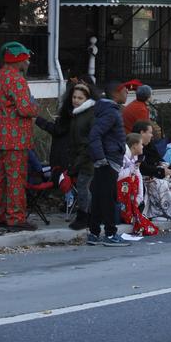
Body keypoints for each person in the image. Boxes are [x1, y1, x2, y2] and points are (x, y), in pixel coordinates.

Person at [0, 41, 38, 231]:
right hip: (15, 140)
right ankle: (15, 218)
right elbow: (25, 109)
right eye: (27, 59)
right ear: (19, 60)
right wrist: (36, 108)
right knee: (15, 179)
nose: (28, 62)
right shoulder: (16, 79)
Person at [86, 79, 130, 246]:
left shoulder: (105, 110)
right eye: (125, 91)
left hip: (107, 159)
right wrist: (100, 158)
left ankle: (94, 233)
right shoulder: (111, 112)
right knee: (109, 198)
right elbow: (94, 134)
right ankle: (110, 234)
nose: (127, 94)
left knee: (99, 197)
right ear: (116, 92)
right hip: (108, 160)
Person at [67, 81, 98, 231]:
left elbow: (88, 141)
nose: (76, 100)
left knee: (84, 187)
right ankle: (87, 216)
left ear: (87, 99)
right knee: (84, 187)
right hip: (81, 158)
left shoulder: (88, 115)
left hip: (87, 159)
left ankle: (84, 217)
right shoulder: (77, 114)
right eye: (74, 97)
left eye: (80, 98)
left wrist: (79, 161)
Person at [137, 120, 171, 220]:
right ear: (142, 133)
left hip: (154, 173)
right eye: (150, 133)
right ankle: (160, 213)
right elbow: (141, 167)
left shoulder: (150, 145)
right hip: (144, 177)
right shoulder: (136, 145)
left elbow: (158, 159)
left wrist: (166, 168)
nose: (152, 135)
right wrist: (160, 171)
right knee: (161, 184)